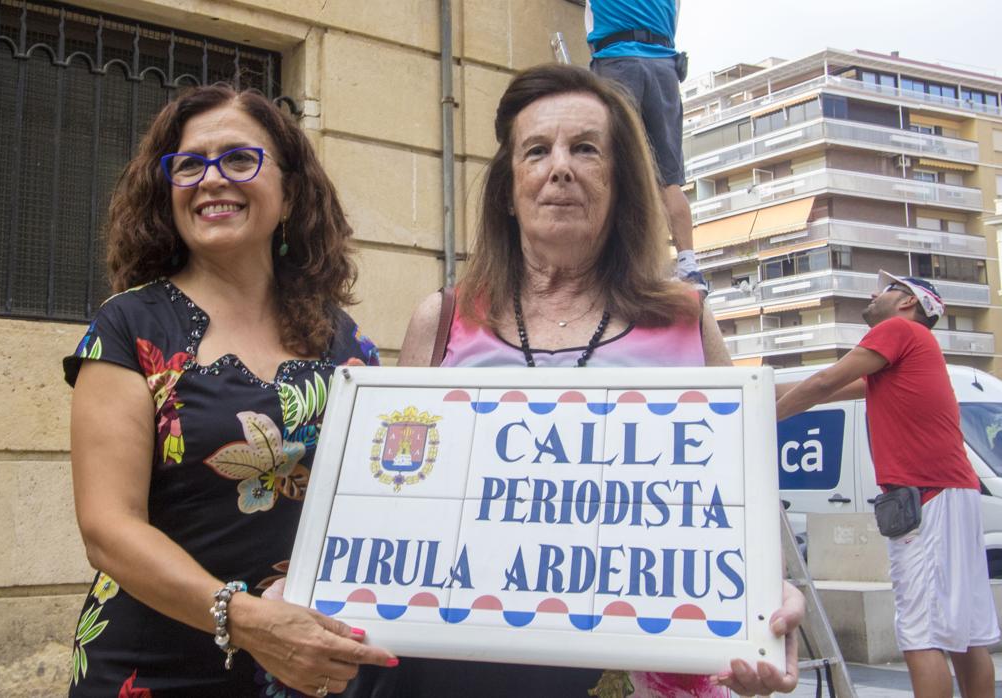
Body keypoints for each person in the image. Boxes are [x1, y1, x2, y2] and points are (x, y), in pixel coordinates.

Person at [343, 63, 802, 698]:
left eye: (585, 148)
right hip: (454, 676)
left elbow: (740, 512)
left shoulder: (685, 325)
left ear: (620, 184)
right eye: (537, 150)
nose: (560, 167)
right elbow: (389, 510)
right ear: (510, 186)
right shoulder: (443, 320)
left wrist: (767, 603)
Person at [63, 84, 399, 697]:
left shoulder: (347, 342)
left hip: (307, 665)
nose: (212, 179)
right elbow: (107, 528)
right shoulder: (128, 326)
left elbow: (374, 507)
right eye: (189, 164)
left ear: (290, 191)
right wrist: (246, 621)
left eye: (240, 159)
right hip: (153, 666)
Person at [776, 271, 1000, 698]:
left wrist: (763, 423)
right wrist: (751, 390)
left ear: (907, 303)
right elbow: (822, 390)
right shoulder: (906, 359)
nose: (875, 293)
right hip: (953, 495)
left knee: (920, 635)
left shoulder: (899, 331)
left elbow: (823, 382)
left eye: (887, 289)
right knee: (967, 634)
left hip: (927, 498)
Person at [583, 0, 705, 293]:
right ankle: (689, 266)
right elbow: (674, 19)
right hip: (664, 67)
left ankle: (617, 264)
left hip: (617, 64)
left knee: (610, 172)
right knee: (669, 180)